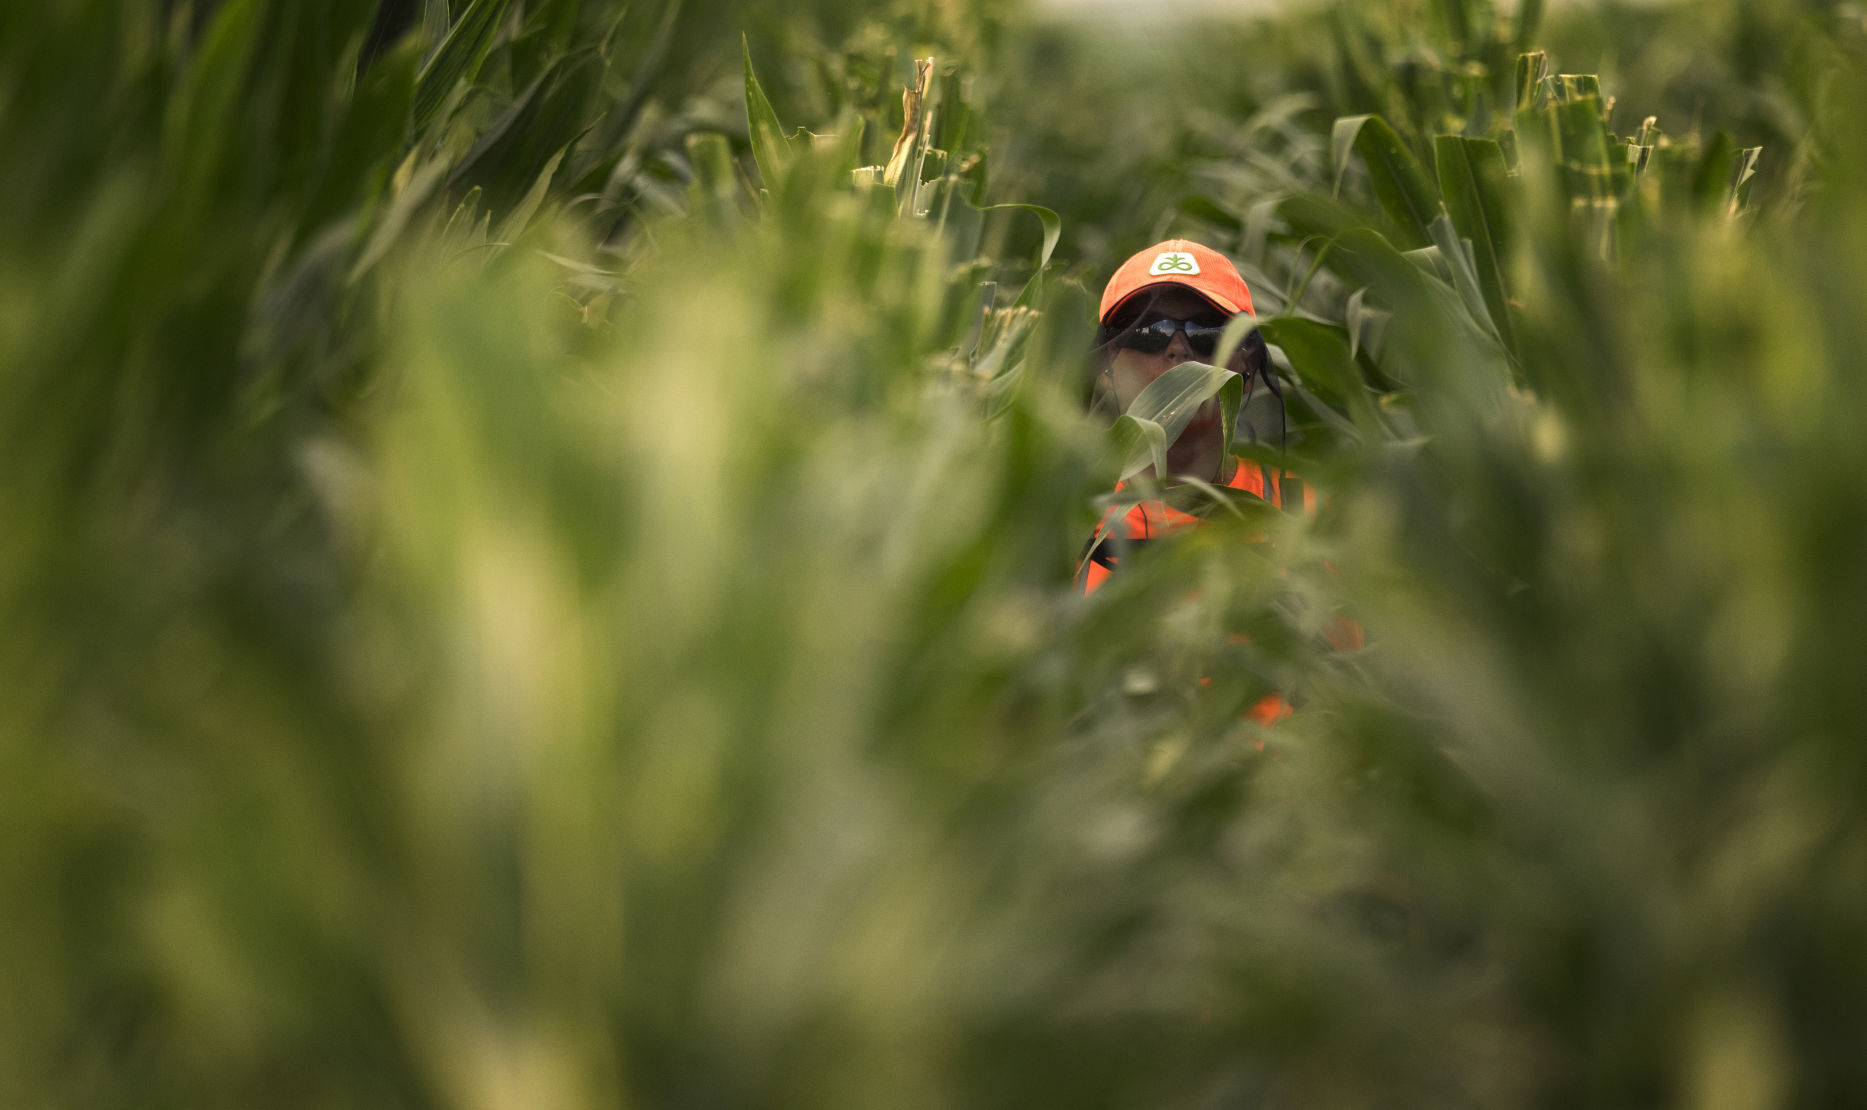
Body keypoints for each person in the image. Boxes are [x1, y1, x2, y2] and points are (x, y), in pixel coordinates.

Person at [1078, 238, 1312, 595]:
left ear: (1245, 367)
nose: (1178, 350)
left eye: (1207, 332)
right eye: (1148, 331)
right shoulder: (1065, 525)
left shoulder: (1305, 514)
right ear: (1107, 368)